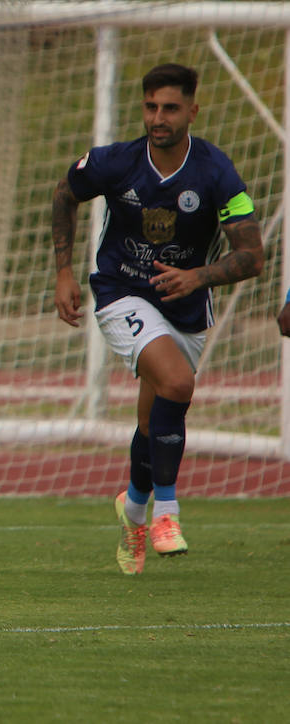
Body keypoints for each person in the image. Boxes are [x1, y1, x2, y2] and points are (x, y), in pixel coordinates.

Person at [52, 64, 264, 576]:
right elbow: (65, 193)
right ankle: (167, 514)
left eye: (170, 108)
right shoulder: (115, 162)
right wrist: (63, 272)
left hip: (186, 309)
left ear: (192, 110)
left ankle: (132, 512)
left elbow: (253, 255)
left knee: (153, 421)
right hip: (121, 293)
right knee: (177, 381)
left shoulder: (216, 172)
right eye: (150, 107)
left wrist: (198, 277)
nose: (158, 118)